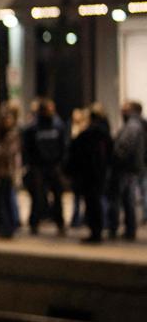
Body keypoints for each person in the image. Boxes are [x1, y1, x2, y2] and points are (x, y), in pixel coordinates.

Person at [66, 104, 112, 243]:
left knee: (93, 203)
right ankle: (98, 229)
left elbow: (75, 152)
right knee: (96, 202)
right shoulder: (104, 134)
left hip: (89, 175)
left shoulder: (88, 135)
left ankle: (96, 232)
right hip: (99, 173)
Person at [23, 98, 69, 236]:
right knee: (37, 197)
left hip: (54, 165)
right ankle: (34, 223)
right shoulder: (33, 127)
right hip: (38, 166)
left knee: (58, 197)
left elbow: (63, 146)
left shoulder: (57, 125)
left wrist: (61, 163)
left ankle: (59, 224)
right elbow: (27, 148)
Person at [111, 101, 145, 240]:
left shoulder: (132, 126)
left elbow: (124, 148)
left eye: (124, 109)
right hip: (133, 167)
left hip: (126, 168)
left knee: (123, 199)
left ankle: (121, 228)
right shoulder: (138, 125)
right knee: (128, 199)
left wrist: (115, 158)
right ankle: (129, 229)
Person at [0, 103, 22, 238]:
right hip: (0, 172)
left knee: (5, 201)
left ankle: (7, 228)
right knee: (1, 200)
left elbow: (8, 153)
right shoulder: (3, 135)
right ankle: (3, 226)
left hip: (7, 172)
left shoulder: (12, 135)